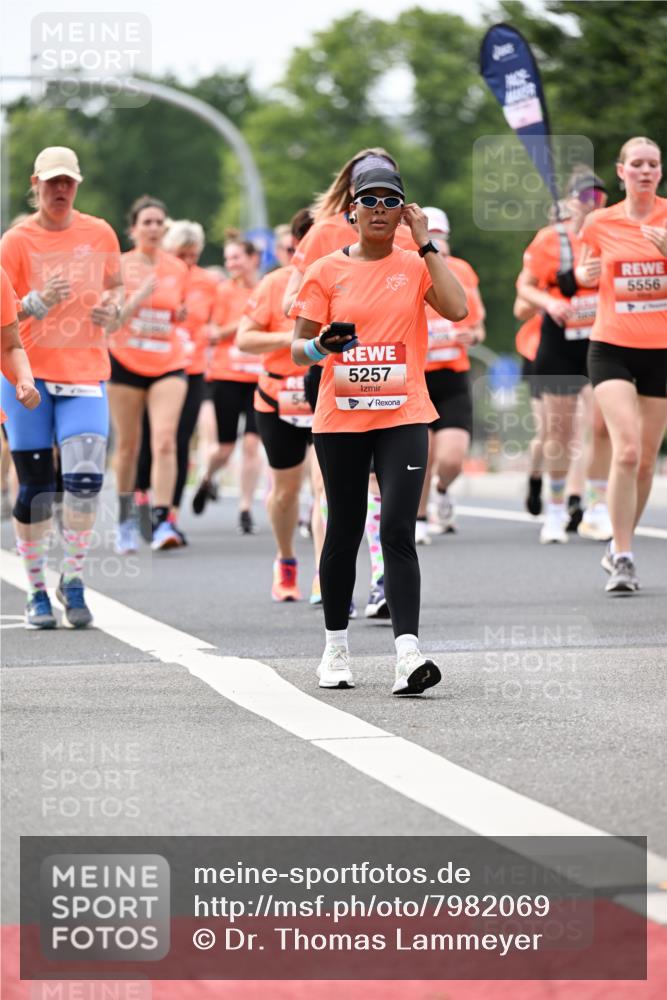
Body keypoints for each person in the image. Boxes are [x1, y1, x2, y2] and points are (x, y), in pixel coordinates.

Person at [291, 166, 467, 695]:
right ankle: (335, 649)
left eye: (392, 201)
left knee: (396, 530)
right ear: (352, 210)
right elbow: (296, 347)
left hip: (404, 413)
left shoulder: (415, 266)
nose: (380, 209)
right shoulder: (324, 270)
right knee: (344, 527)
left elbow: (457, 309)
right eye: (369, 200)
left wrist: (427, 243)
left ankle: (408, 655)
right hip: (341, 417)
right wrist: (324, 347)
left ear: (403, 211)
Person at [284, 148, 417, 616]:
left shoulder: (407, 245)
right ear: (352, 192)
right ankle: (330, 578)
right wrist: (324, 325)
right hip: (331, 370)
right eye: (369, 191)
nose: (379, 204)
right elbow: (290, 303)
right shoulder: (323, 233)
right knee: (334, 495)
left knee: (386, 489)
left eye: (390, 191)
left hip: (392, 378)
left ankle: (382, 578)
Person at [0, 146, 122, 627]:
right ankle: (35, 590)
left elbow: (116, 287)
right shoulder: (15, 242)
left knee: (86, 480)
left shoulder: (100, 232)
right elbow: (4, 316)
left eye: (67, 181)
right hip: (26, 373)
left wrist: (113, 307)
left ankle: (72, 581)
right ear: (35, 184)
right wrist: (35, 302)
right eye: (51, 182)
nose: (59, 190)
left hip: (85, 370)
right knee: (36, 486)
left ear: (78, 184)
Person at [577, 136, 667, 593]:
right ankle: (625, 554)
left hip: (661, 351)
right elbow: (582, 269)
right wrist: (583, 276)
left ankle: (616, 549)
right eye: (637, 164)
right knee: (627, 449)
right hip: (610, 344)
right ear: (621, 171)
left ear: (660, 171)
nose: (645, 171)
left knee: (647, 462)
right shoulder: (599, 222)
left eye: (653, 164)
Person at [516, 171, 608, 544]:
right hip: (558, 343)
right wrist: (551, 300)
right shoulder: (549, 239)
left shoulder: (613, 231)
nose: (592, 204)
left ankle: (596, 506)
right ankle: (554, 509)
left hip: (601, 339)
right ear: (571, 201)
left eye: (599, 198)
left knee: (601, 426)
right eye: (585, 197)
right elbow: (524, 287)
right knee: (558, 432)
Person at [236, 209, 317, 600]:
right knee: (286, 492)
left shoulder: (348, 279)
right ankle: (285, 560)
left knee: (328, 490)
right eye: (294, 245)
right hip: (278, 397)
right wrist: (293, 340)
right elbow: (244, 339)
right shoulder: (274, 285)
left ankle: (326, 573)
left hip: (330, 396)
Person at [107, 196, 189, 553]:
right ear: (134, 228)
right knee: (127, 446)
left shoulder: (177, 268)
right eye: (148, 222)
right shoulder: (119, 266)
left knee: (166, 440)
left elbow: (177, 311)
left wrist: (180, 314)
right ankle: (125, 520)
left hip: (169, 363)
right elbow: (111, 321)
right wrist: (137, 297)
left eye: (159, 222)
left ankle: (162, 521)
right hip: (124, 362)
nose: (154, 228)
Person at [134, 220, 218, 542]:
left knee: (177, 443)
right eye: (182, 254)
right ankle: (136, 513)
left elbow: (216, 320)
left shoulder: (208, 282)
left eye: (194, 255)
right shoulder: (156, 274)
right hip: (151, 367)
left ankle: (169, 517)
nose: (188, 262)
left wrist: (213, 332)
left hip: (190, 369)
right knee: (146, 444)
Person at [416, 207, 486, 542]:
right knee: (422, 455)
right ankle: (419, 519)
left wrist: (472, 336)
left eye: (442, 236)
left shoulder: (462, 271)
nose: (438, 242)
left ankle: (443, 491)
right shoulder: (408, 269)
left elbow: (477, 323)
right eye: (432, 236)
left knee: (451, 458)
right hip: (417, 378)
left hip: (452, 377)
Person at [191, 236, 263, 535]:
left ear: (252, 259)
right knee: (223, 448)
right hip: (227, 376)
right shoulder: (222, 292)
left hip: (259, 377)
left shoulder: (265, 289)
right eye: (228, 258)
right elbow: (212, 333)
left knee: (251, 445)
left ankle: (245, 508)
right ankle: (207, 477)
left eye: (236, 258)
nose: (231, 264)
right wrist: (245, 324)